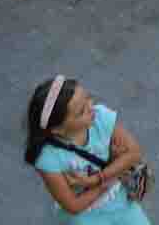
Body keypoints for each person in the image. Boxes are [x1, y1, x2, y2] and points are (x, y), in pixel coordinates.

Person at [20, 73, 148, 221]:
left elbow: (134, 152)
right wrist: (107, 180)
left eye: (87, 98)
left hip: (123, 206)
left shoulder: (100, 118)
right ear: (57, 129)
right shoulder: (47, 157)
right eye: (81, 112)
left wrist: (97, 179)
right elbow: (73, 206)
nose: (91, 107)